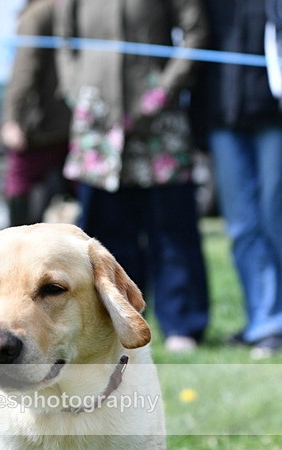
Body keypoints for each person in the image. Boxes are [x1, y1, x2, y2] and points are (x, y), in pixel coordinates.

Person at [54, 0, 210, 352]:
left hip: (158, 119)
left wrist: (163, 89)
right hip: (98, 122)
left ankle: (182, 323)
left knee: (172, 227)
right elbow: (63, 39)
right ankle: (116, 322)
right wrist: (76, 87)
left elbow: (195, 31)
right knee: (106, 234)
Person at [192, 0, 282, 358]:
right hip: (223, 118)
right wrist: (199, 125)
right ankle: (264, 321)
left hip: (274, 117)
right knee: (242, 225)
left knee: (275, 217)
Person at [0, 0, 71, 226]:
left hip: (41, 127)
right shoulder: (65, 9)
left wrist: (12, 120)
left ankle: (16, 245)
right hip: (70, 122)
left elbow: (24, 72)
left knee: (17, 182)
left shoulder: (37, 15)